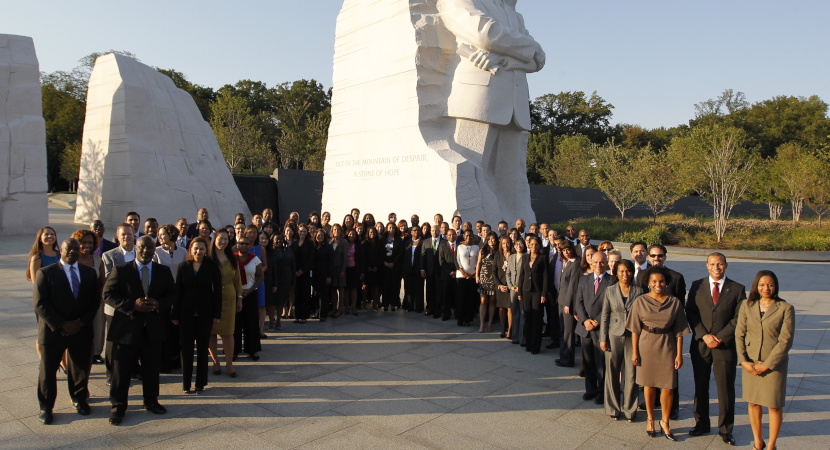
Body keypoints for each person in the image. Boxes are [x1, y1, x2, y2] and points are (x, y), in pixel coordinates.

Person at [103, 236, 176, 425]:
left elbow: (172, 294)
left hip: (152, 329)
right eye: (142, 247)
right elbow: (108, 294)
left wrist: (159, 303)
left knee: (151, 369)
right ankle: (118, 407)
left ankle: (151, 401)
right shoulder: (121, 270)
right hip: (126, 329)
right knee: (122, 371)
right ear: (136, 248)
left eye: (150, 248)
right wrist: (130, 305)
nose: (146, 251)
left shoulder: (163, 271)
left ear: (155, 250)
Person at [34, 238, 99, 425]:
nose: (72, 252)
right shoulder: (46, 273)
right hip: (53, 331)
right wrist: (62, 324)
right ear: (60, 251)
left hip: (81, 329)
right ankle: (46, 407)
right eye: (68, 249)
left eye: (75, 249)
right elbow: (40, 303)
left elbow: (94, 301)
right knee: (48, 370)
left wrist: (80, 323)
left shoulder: (88, 273)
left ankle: (80, 400)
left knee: (79, 368)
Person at [686, 253, 747, 445]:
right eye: (712, 264)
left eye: (719, 264)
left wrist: (720, 337)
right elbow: (691, 312)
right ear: (706, 266)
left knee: (726, 388)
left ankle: (726, 429)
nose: (716, 267)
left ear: (726, 265)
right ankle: (701, 423)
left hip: (725, 346)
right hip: (702, 344)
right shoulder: (697, 286)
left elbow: (739, 318)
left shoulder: (737, 289)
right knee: (701, 386)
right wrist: (704, 335)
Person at [627, 267, 690, 441]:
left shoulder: (674, 302)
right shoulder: (640, 301)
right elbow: (635, 330)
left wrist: (679, 354)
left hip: (667, 344)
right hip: (646, 344)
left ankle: (665, 421)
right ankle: (650, 419)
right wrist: (635, 352)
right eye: (654, 281)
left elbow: (680, 331)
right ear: (648, 282)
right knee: (649, 385)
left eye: (661, 281)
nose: (658, 285)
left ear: (666, 282)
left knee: (668, 386)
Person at [736, 270, 795, 450]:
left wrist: (767, 364)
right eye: (762, 285)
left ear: (775, 286)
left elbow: (785, 340)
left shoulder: (785, 308)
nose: (766, 288)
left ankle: (771, 445)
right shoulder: (747, 305)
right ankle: (758, 441)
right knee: (753, 403)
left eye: (770, 284)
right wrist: (743, 360)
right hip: (751, 363)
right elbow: (739, 333)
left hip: (774, 366)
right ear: (756, 286)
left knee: (774, 405)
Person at [636, 244, 687, 419]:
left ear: (665, 256)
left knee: (670, 377)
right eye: (653, 256)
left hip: (669, 333)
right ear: (649, 257)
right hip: (648, 333)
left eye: (660, 256)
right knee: (649, 374)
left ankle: (672, 408)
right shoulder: (642, 276)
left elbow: (681, 305)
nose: (656, 259)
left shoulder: (676, 277)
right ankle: (652, 403)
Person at [173, 237, 222, 394]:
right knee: (186, 349)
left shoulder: (212, 266)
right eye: (195, 248)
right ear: (190, 249)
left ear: (206, 250)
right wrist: (174, 313)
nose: (198, 251)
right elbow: (178, 292)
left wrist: (216, 313)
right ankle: (186, 383)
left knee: (202, 349)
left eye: (201, 248)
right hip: (185, 313)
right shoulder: (183, 267)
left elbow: (218, 292)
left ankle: (200, 383)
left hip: (205, 313)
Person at [599, 259, 642, 422]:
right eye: (622, 271)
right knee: (612, 372)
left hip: (633, 336)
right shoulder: (610, 290)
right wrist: (603, 338)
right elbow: (605, 315)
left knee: (631, 374)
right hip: (613, 335)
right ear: (616, 273)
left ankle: (630, 409)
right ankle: (613, 408)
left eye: (628, 271)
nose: (625, 274)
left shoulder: (638, 291)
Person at [575, 251, 614, 403]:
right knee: (588, 361)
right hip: (585, 328)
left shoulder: (611, 281)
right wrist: (585, 321)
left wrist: (596, 321)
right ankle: (589, 390)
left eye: (602, 262)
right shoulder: (584, 280)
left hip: (601, 329)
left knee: (601, 363)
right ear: (590, 262)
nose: (599, 265)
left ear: (607, 263)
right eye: (596, 262)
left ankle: (601, 392)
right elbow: (578, 301)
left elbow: (610, 305)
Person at [208, 229, 242, 378]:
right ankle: (215, 362)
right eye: (220, 239)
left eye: (226, 239)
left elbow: (237, 280)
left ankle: (229, 363)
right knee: (212, 333)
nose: (223, 242)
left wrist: (239, 297)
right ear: (214, 240)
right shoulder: (208, 259)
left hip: (229, 297)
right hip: (211, 298)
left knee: (228, 333)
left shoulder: (232, 258)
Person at [70, 230, 106, 365]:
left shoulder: (97, 260)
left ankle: (96, 352)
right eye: (83, 242)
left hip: (94, 300)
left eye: (90, 243)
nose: (87, 245)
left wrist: (100, 297)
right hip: (76, 301)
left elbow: (102, 281)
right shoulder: (72, 260)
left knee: (97, 327)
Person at [233, 237, 263, 361]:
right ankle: (234, 350)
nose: (244, 245)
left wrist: (250, 290)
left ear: (250, 245)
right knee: (235, 323)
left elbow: (260, 277)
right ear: (237, 245)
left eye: (247, 243)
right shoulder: (232, 258)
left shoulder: (254, 259)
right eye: (241, 243)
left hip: (250, 294)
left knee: (251, 322)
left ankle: (252, 350)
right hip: (235, 294)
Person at [517, 235, 548, 354]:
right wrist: (519, 291)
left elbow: (545, 277)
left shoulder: (542, 258)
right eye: (532, 244)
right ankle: (528, 343)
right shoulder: (525, 257)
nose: (534, 247)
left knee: (537, 319)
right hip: (526, 291)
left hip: (537, 291)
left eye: (536, 244)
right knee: (528, 317)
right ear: (528, 245)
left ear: (539, 245)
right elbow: (521, 275)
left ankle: (536, 346)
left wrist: (544, 293)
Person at [556, 241, 581, 367]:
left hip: (568, 302)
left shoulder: (576, 264)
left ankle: (568, 359)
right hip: (561, 300)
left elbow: (572, 285)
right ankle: (563, 356)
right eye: (563, 250)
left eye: (568, 249)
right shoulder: (566, 262)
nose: (566, 252)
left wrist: (568, 303)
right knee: (563, 331)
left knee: (568, 332)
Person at [267, 233, 297, 327]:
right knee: (272, 302)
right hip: (273, 280)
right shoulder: (269, 251)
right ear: (272, 240)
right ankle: (271, 321)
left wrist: (293, 280)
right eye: (276, 239)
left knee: (281, 302)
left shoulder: (288, 250)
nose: (279, 241)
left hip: (285, 280)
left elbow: (293, 266)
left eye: (280, 239)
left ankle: (278, 320)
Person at [455, 229, 480, 327]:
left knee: (470, 298)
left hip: (472, 277)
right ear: (464, 236)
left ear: (473, 237)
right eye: (466, 236)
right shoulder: (460, 246)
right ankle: (460, 318)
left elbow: (478, 262)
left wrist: (473, 273)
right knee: (461, 298)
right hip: (461, 276)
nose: (468, 238)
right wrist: (464, 273)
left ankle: (468, 319)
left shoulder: (476, 247)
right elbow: (457, 260)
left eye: (470, 236)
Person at [475, 232, 499, 332]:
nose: (491, 241)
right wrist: (477, 275)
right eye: (489, 239)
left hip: (494, 278)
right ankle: (481, 324)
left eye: (493, 239)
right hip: (484, 277)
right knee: (483, 301)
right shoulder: (483, 250)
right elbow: (479, 263)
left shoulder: (499, 251)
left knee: (492, 302)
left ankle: (489, 323)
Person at [293, 224, 315, 323]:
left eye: (304, 231)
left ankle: (304, 316)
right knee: (297, 294)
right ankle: (297, 315)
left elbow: (311, 259)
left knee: (305, 294)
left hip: (305, 273)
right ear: (298, 232)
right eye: (301, 231)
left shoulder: (310, 243)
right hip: (295, 272)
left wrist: (302, 270)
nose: (302, 233)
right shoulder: (294, 243)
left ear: (307, 233)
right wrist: (295, 271)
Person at [311, 229, 334, 321]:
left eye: (321, 236)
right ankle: (316, 312)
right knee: (315, 295)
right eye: (318, 235)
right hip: (315, 274)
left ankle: (323, 314)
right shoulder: (313, 247)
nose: (319, 237)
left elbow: (331, 262)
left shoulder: (328, 248)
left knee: (324, 295)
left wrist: (329, 276)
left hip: (325, 274)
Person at [381, 222, 404, 312]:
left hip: (395, 266)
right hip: (385, 266)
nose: (392, 229)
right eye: (390, 228)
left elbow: (400, 253)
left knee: (394, 285)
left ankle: (393, 304)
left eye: (393, 228)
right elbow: (380, 252)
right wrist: (385, 262)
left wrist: (393, 263)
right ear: (387, 229)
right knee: (385, 285)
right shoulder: (383, 239)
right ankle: (385, 304)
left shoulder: (398, 240)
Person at [506, 237, 525, 345]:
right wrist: (510, 285)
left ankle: (522, 338)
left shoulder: (526, 257)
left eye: (521, 244)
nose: (519, 246)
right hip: (513, 289)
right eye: (517, 244)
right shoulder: (511, 257)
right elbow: (508, 273)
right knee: (515, 313)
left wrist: (520, 287)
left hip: (522, 289)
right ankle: (515, 336)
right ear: (514, 246)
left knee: (523, 313)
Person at [436, 228, 458, 321]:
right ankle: (446, 313)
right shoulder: (442, 245)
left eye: (453, 234)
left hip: (458, 274)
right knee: (446, 295)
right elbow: (441, 261)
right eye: (449, 235)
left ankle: (458, 313)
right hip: (446, 275)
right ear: (446, 236)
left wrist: (457, 271)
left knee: (457, 295)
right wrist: (450, 272)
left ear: (456, 235)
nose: (451, 236)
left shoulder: (460, 245)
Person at [421, 225, 442, 318]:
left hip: (439, 271)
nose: (434, 232)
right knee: (429, 291)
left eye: (436, 230)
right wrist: (422, 269)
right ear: (430, 231)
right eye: (433, 230)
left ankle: (438, 310)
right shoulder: (425, 242)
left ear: (439, 231)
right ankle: (430, 308)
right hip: (429, 271)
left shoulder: (444, 242)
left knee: (438, 291)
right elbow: (422, 256)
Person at [494, 235, 513, 338]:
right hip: (500, 285)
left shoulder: (513, 255)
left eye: (508, 243)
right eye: (504, 243)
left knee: (510, 308)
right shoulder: (498, 254)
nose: (506, 245)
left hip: (510, 286)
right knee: (501, 308)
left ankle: (510, 329)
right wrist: (499, 285)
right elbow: (494, 272)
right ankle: (503, 328)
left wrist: (510, 285)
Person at [402, 226, 425, 312]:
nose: (416, 232)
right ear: (411, 232)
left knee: (419, 289)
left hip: (418, 269)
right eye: (414, 230)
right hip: (408, 269)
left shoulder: (423, 242)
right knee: (408, 288)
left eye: (418, 230)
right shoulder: (407, 242)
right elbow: (403, 256)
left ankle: (419, 307)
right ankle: (410, 306)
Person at [329, 224, 349, 317]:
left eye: (338, 229)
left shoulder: (344, 242)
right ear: (332, 231)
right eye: (334, 229)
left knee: (341, 289)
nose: (336, 231)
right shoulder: (330, 242)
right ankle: (334, 308)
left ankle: (340, 309)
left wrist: (343, 270)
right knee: (333, 289)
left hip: (340, 268)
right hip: (332, 269)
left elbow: (345, 257)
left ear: (341, 231)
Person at [343, 228, 364, 315]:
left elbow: (362, 259)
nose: (352, 236)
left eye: (354, 234)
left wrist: (361, 272)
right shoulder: (344, 244)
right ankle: (347, 307)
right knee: (346, 289)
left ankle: (354, 308)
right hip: (345, 269)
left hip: (355, 269)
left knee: (354, 289)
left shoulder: (358, 245)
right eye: (350, 234)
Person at [362, 226, 383, 312]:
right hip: (367, 269)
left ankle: (375, 304)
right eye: (371, 232)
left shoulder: (379, 243)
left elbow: (381, 256)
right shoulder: (364, 243)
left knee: (376, 288)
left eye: (374, 232)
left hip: (376, 269)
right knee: (365, 287)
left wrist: (376, 267)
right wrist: (367, 267)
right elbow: (363, 257)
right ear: (368, 233)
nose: (372, 234)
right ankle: (364, 305)